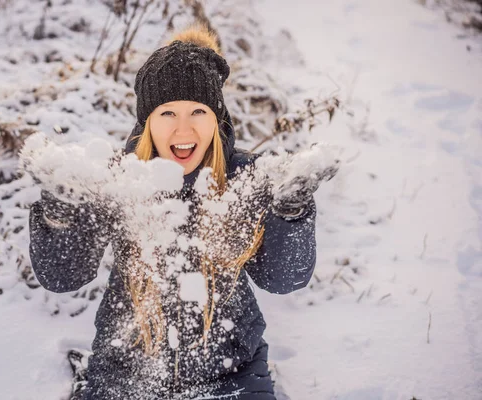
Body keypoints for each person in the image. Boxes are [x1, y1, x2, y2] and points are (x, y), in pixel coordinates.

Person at [29, 25, 333, 400]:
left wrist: (290, 214)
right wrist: (60, 214)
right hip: (125, 373)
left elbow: (283, 279)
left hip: (232, 373)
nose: (183, 128)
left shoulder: (246, 177)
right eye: (167, 112)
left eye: (197, 111)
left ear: (216, 116)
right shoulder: (120, 179)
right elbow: (62, 275)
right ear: (148, 122)